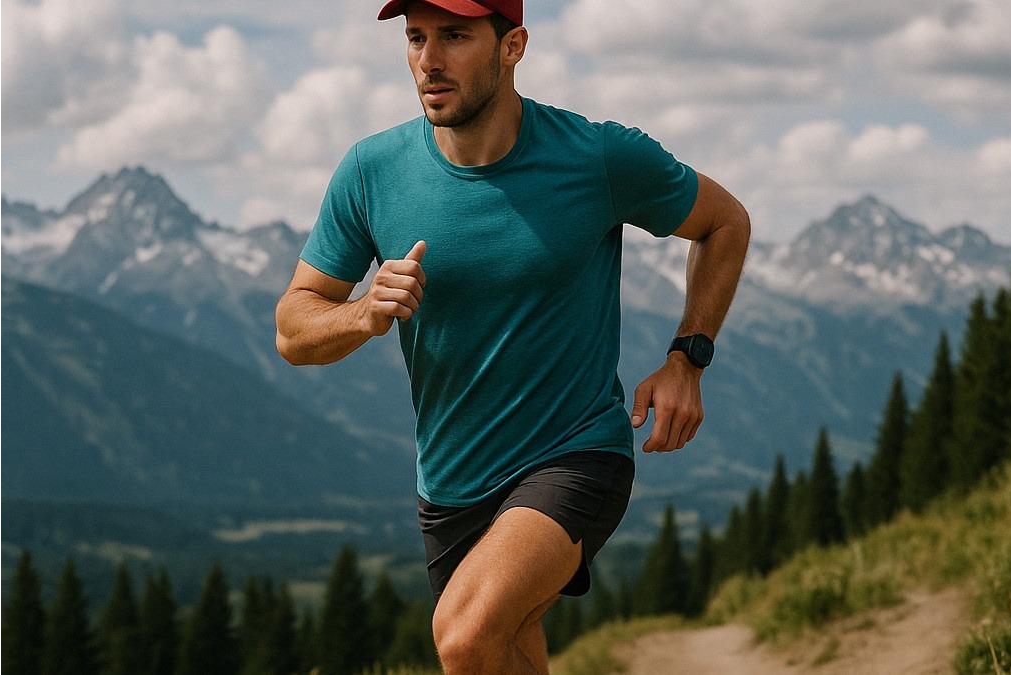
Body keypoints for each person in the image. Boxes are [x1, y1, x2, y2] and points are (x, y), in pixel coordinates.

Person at [275, 0, 750, 671]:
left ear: (513, 45)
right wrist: (361, 313)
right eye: (416, 37)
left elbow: (725, 222)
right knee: (505, 648)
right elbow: (294, 328)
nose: (428, 59)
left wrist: (687, 359)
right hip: (449, 484)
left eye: (456, 37)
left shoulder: (597, 156)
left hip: (576, 451)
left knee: (465, 636)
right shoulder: (369, 171)